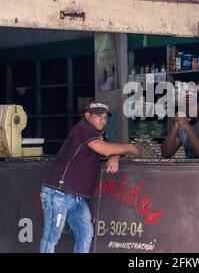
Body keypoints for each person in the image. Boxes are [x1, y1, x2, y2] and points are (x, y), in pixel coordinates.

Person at [39, 102, 140, 253]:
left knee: (85, 234)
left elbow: (109, 148)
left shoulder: (97, 134)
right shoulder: (84, 129)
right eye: (98, 116)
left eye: (105, 117)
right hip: (58, 193)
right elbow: (105, 149)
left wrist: (115, 157)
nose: (103, 120)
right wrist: (131, 147)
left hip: (76, 198)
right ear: (87, 116)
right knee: (51, 237)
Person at [161, 91, 199, 159]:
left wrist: (187, 126)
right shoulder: (182, 124)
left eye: (190, 105)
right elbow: (165, 154)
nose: (186, 109)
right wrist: (175, 127)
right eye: (184, 106)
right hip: (190, 168)